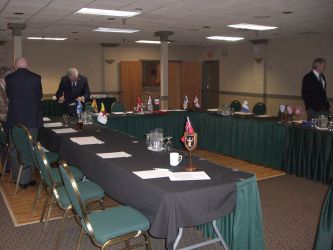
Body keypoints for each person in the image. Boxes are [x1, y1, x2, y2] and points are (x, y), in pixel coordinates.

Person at [5, 57, 43, 188]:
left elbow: (9, 96)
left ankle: (18, 177)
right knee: (29, 150)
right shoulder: (36, 78)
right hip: (32, 120)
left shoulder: (9, 78)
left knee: (14, 149)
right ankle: (26, 179)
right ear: (28, 66)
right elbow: (39, 97)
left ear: (15, 67)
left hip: (14, 119)